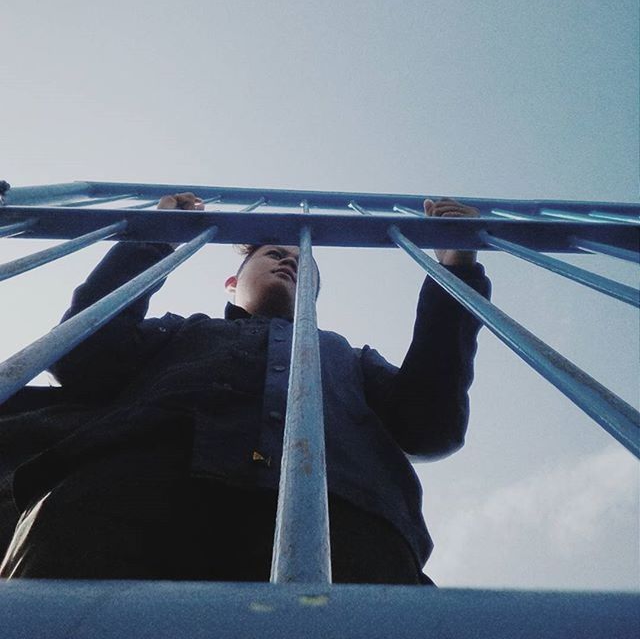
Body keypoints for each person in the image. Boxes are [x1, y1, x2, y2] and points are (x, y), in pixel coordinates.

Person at [0, 193, 490, 583]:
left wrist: (456, 269)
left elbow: (431, 424)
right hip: (124, 501)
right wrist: (153, 237)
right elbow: (84, 354)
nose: (289, 261)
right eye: (274, 253)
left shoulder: (351, 358)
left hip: (343, 523)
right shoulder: (179, 330)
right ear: (232, 282)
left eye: (303, 263)